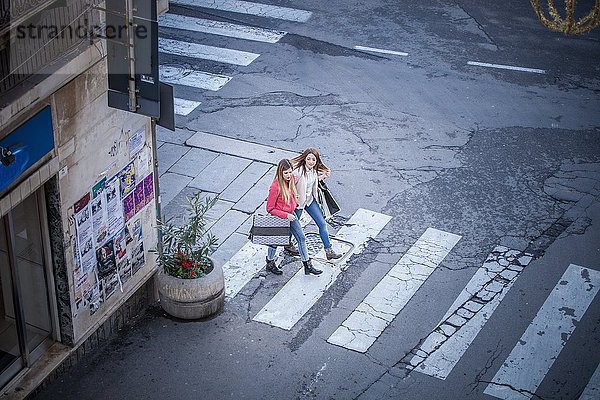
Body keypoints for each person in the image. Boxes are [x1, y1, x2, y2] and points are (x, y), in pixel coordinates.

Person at [265, 159, 322, 276]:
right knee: (274, 243)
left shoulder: (291, 181)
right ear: (280, 173)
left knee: (301, 238)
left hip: (291, 215)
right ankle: (270, 262)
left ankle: (307, 265)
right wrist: (286, 215)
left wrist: (295, 201)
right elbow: (269, 208)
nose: (288, 175)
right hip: (280, 218)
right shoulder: (275, 187)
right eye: (285, 173)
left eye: (290, 172)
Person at [289, 147, 342, 260]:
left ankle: (329, 250)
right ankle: (287, 244)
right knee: (292, 226)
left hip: (309, 201)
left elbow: (313, 181)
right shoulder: (297, 172)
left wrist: (323, 176)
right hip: (298, 204)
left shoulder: (313, 171)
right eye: (309, 159)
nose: (311, 162)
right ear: (304, 159)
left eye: (314, 160)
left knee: (322, 224)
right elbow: (288, 185)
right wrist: (294, 196)